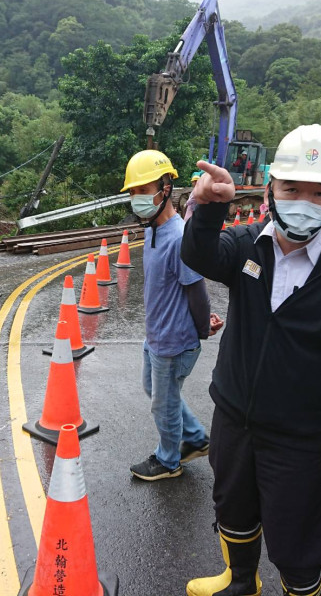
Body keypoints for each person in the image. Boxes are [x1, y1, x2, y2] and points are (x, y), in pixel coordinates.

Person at [180, 124, 321, 596]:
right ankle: (240, 580)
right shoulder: (250, 243)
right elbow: (198, 255)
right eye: (291, 188)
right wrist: (211, 207)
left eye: (319, 192)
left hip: (302, 438)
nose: (304, 200)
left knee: (297, 538)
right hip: (235, 419)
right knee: (231, 508)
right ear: (271, 187)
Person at [122, 149, 224, 482]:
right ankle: (194, 438)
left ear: (165, 188)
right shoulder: (153, 229)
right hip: (157, 334)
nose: (137, 199)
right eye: (133, 192)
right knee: (155, 390)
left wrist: (202, 328)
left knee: (163, 404)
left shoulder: (179, 238)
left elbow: (197, 290)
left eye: (143, 190)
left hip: (174, 342)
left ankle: (169, 461)